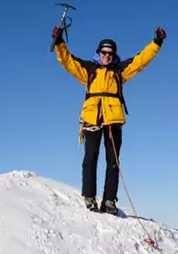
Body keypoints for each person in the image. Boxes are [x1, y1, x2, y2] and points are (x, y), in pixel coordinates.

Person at [52, 25, 166, 214]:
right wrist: (59, 41)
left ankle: (109, 201)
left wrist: (157, 43)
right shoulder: (88, 70)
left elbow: (141, 61)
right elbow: (67, 61)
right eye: (104, 52)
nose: (107, 56)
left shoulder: (119, 71)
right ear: (98, 52)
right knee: (90, 159)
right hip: (92, 119)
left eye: (111, 54)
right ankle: (89, 198)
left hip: (113, 120)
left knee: (113, 162)